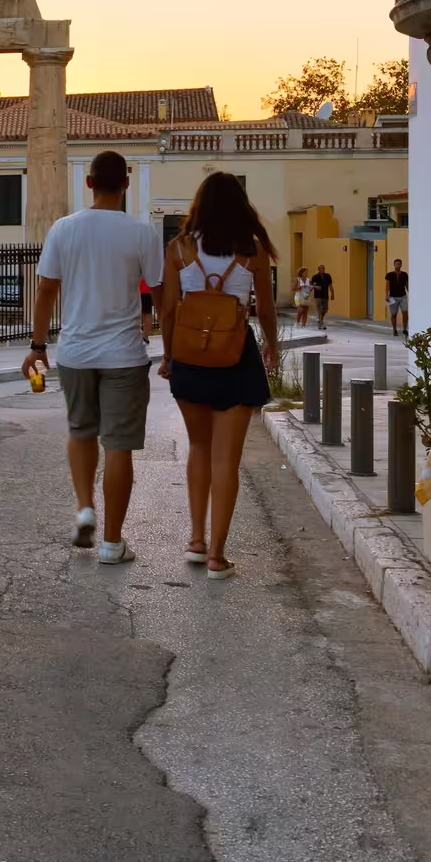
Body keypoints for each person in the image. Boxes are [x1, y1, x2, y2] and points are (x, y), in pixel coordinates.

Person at [23, 150, 163, 566]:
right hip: (124, 354)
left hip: (76, 353)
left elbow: (47, 289)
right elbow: (160, 295)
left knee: (81, 431)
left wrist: (37, 346)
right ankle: (112, 544)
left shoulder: (64, 230)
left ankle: (85, 508)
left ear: (89, 184)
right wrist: (169, 346)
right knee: (118, 446)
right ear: (126, 184)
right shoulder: (141, 234)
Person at [157, 172, 280, 579]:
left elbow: (170, 311)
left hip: (190, 356)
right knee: (227, 458)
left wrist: (168, 355)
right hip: (236, 355)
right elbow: (264, 310)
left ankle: (195, 540)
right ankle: (217, 556)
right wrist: (272, 346)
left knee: (198, 448)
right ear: (241, 206)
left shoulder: (178, 249)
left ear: (199, 205)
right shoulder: (253, 252)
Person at [385, 259, 410, 338]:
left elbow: (407, 285)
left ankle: (405, 329)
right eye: (396, 264)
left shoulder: (404, 274)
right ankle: (394, 329)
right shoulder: (389, 275)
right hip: (392, 296)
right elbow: (387, 285)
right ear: (394, 265)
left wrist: (410, 293)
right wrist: (387, 295)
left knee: (405, 312)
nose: (398, 265)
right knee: (394, 314)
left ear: (401, 265)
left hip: (403, 296)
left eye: (399, 264)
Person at [309, 264, 334, 329]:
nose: (322, 269)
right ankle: (321, 323)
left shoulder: (328, 276)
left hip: (325, 295)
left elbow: (330, 285)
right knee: (319, 309)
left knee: (325, 309)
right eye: (320, 268)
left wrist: (332, 293)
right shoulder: (315, 276)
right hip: (317, 295)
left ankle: (320, 321)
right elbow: (310, 284)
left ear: (324, 269)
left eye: (323, 268)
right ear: (318, 269)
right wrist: (315, 286)